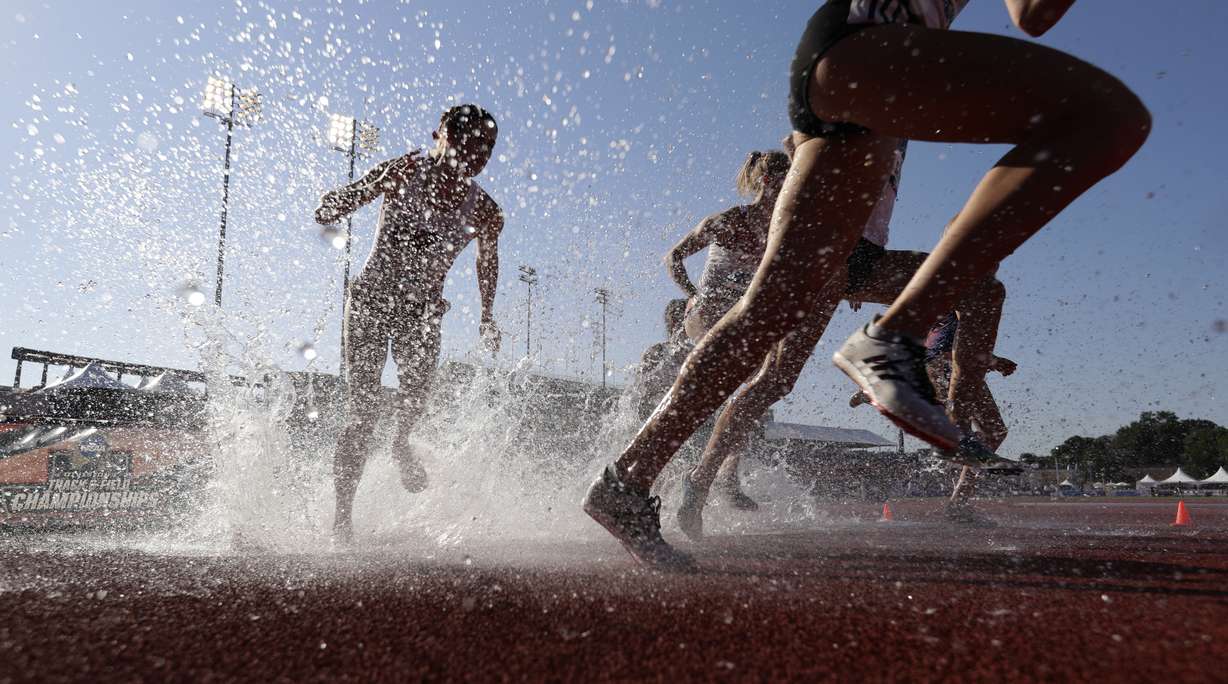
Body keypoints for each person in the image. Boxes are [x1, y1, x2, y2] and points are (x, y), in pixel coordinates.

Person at [586, 1, 1150, 568]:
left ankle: (627, 481)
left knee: (770, 327)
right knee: (1104, 117)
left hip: (849, 116)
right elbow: (1033, 14)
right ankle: (895, 348)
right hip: (868, 53)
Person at [672, 141, 1015, 541]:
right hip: (822, 254)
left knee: (983, 289)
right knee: (776, 381)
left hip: (866, 257)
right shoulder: (858, 109)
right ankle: (700, 479)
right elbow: (801, 147)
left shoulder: (906, 131)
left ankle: (955, 428)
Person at [314, 104, 505, 544]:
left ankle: (401, 443)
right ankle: (342, 519)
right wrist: (377, 183)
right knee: (361, 413)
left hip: (421, 314)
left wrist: (487, 316)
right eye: (468, 142)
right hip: (371, 302)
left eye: (487, 148)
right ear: (441, 134)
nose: (477, 155)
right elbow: (326, 213)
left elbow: (487, 263)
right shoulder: (402, 172)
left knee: (415, 399)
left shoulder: (486, 212)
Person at [663, 150, 792, 512]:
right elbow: (673, 257)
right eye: (789, 183)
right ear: (769, 183)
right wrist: (691, 293)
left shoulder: (781, 232)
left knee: (760, 386)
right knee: (715, 384)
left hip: (742, 323)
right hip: (704, 315)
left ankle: (727, 477)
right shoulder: (727, 221)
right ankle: (667, 465)